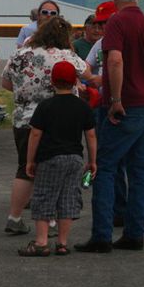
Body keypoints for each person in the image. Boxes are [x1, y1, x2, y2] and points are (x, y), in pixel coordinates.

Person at [75, 0, 144, 253]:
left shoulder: (115, 22)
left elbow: (114, 59)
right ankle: (134, 233)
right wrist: (141, 72)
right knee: (139, 170)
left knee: (104, 167)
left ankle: (102, 236)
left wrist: (115, 99)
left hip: (125, 107)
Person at [2, 14, 89, 236]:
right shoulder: (65, 55)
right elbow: (86, 73)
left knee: (25, 168)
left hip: (23, 119)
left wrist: (26, 96)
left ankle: (14, 217)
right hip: (56, 120)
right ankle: (49, 222)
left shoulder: (20, 54)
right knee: (51, 171)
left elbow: (5, 82)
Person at [17, 61, 97, 257]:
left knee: (44, 196)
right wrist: (93, 160)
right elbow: (91, 136)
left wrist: (29, 161)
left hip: (50, 159)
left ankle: (41, 242)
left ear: (52, 81)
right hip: (75, 159)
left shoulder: (46, 106)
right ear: (74, 81)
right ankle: (62, 243)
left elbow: (35, 134)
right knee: (68, 199)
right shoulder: (83, 106)